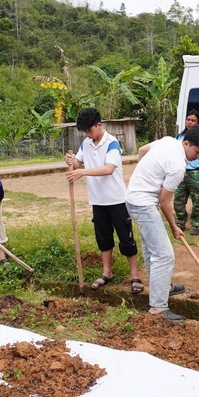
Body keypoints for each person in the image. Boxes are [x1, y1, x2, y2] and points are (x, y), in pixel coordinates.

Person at [125, 125, 199, 321]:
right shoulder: (178, 167)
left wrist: (144, 177)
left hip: (132, 197)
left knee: (151, 250)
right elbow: (165, 202)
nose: (197, 157)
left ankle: (162, 287)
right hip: (143, 203)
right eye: (196, 152)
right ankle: (157, 307)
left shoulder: (167, 140)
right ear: (186, 143)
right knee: (164, 255)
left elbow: (142, 151)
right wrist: (175, 227)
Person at [64, 108, 141, 293]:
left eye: (90, 130)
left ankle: (134, 275)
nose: (88, 134)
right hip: (98, 201)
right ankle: (107, 272)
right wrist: (71, 161)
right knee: (103, 238)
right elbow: (77, 164)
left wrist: (82, 171)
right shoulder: (86, 143)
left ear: (99, 125)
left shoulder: (112, 143)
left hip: (116, 200)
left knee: (126, 239)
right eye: (85, 132)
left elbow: (108, 169)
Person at [174, 110, 199, 236]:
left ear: (198, 122)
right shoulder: (179, 137)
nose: (190, 122)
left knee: (197, 201)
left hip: (195, 173)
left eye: (193, 120)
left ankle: (195, 225)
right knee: (178, 199)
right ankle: (180, 222)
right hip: (181, 172)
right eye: (188, 119)